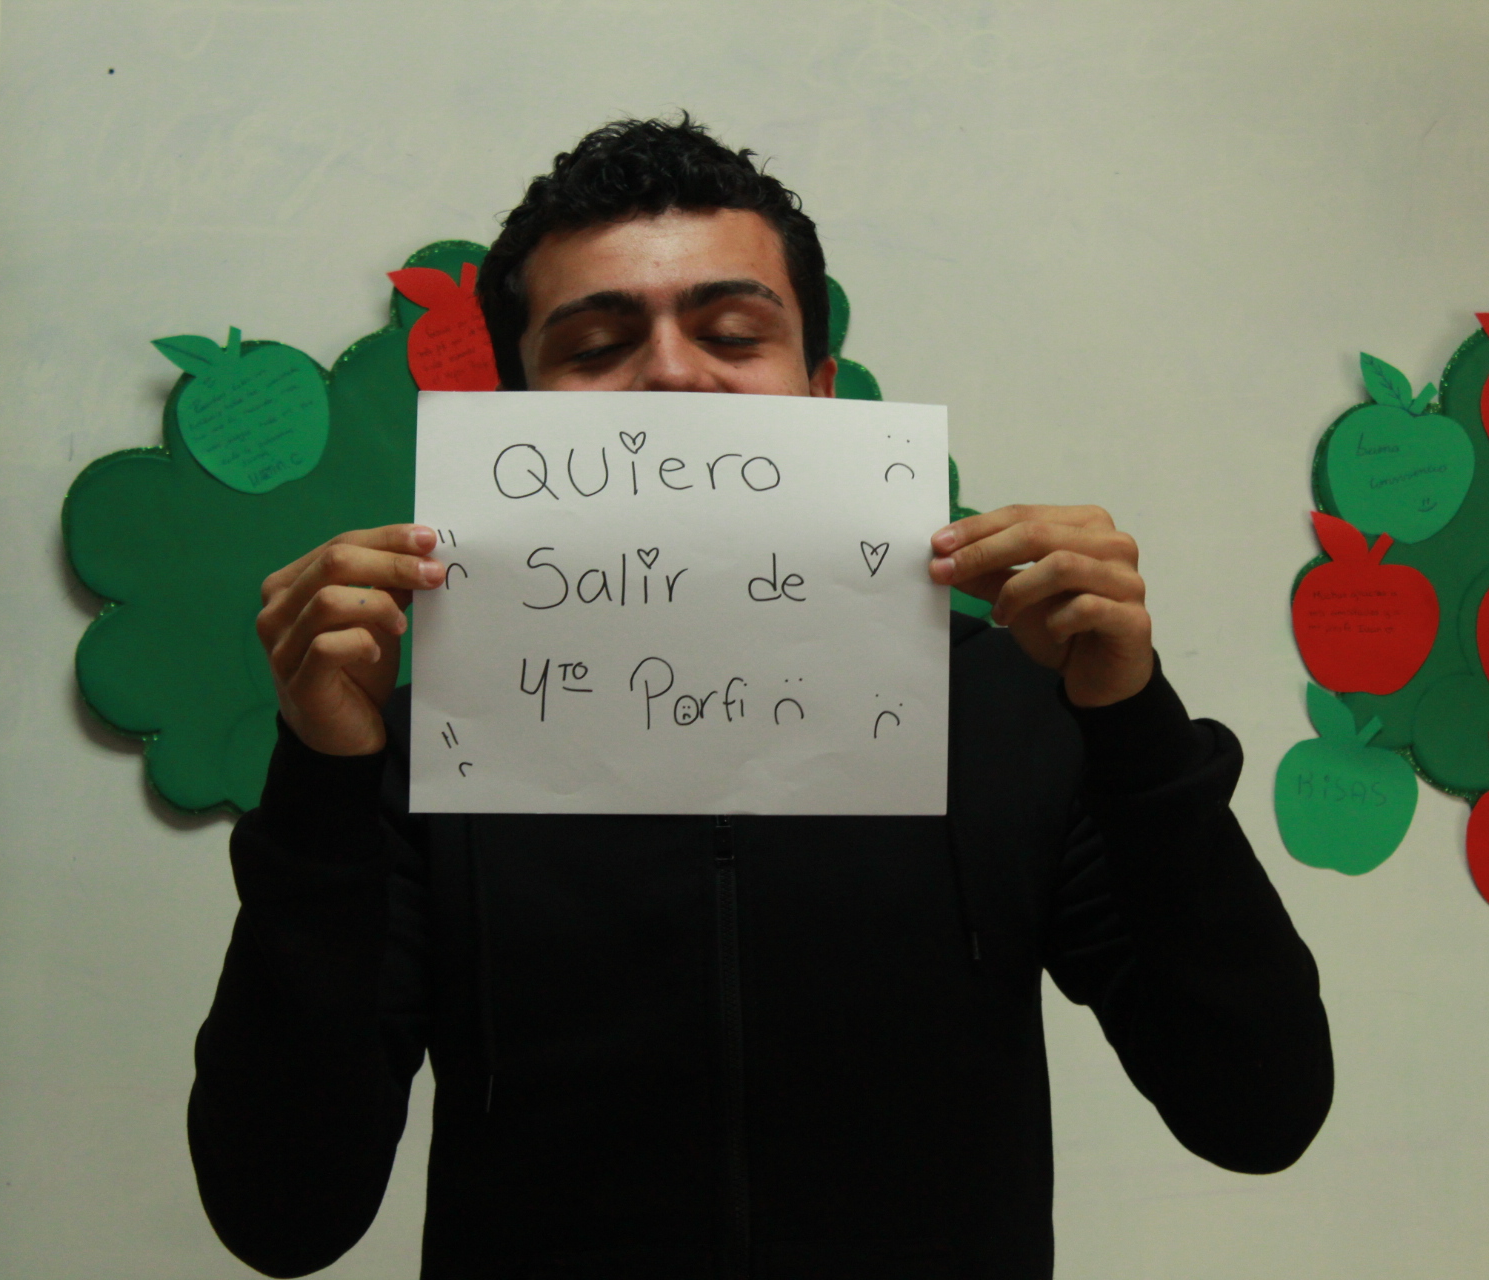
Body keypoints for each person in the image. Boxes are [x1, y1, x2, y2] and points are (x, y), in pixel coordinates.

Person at [189, 116, 1333, 1280]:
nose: (673, 374)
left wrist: (1132, 722)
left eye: (734, 333)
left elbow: (1258, 1107)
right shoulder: (433, 751)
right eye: (595, 345)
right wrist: (322, 777)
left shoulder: (1014, 713)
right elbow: (280, 1212)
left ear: (821, 390)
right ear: (517, 408)